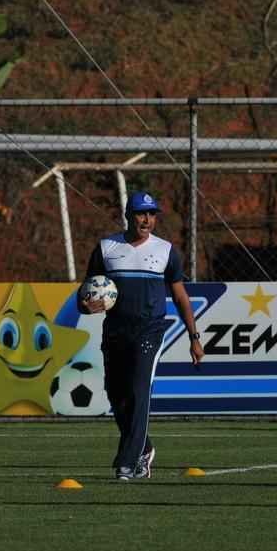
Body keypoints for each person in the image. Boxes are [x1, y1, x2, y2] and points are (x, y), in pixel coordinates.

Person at [78, 191, 203, 481]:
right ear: (128, 215)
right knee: (116, 394)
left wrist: (194, 337)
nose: (147, 219)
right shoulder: (107, 248)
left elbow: (181, 296)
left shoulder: (166, 251)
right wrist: (85, 305)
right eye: (140, 213)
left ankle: (129, 462)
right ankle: (144, 448)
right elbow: (84, 294)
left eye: (151, 214)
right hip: (115, 331)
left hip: (150, 330)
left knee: (138, 390)